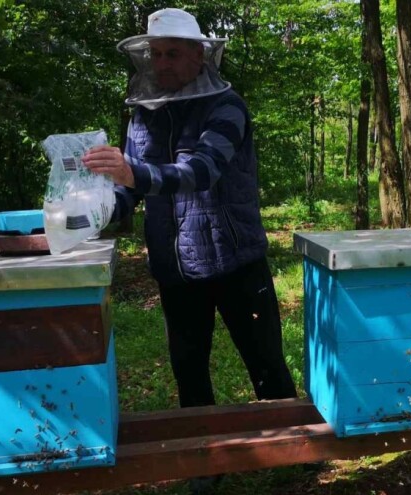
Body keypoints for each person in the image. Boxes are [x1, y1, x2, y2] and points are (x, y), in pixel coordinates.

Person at [82, 8, 297, 409]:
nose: (162, 62)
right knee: (189, 369)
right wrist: (87, 212)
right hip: (174, 269)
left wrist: (131, 174)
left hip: (236, 261)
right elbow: (131, 190)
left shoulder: (226, 107)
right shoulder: (142, 118)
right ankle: (204, 464)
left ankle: (297, 449)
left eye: (173, 53)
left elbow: (201, 171)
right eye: (156, 54)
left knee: (265, 363)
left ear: (199, 56)